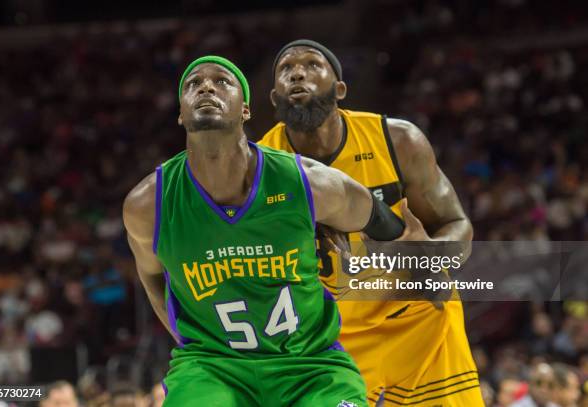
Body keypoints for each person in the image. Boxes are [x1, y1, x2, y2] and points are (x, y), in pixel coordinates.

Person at [123, 55, 404, 407]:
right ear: (180, 113)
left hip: (309, 365)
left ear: (245, 111)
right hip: (212, 367)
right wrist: (186, 336)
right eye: (194, 84)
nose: (207, 86)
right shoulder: (148, 204)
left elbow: (381, 219)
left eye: (223, 81)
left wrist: (416, 252)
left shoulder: (307, 184)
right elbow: (151, 278)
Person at [258, 39, 482, 406]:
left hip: (418, 324)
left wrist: (432, 254)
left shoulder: (397, 140)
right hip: (330, 341)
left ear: (340, 89)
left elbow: (457, 224)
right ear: (274, 97)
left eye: (313, 65)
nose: (297, 72)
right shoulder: (260, 170)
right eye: (286, 69)